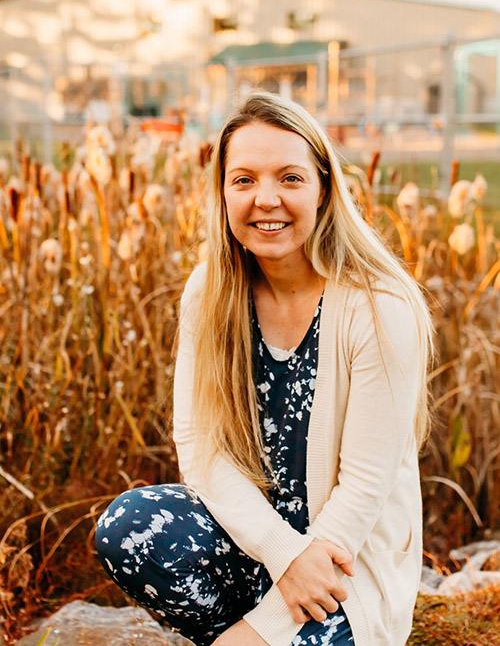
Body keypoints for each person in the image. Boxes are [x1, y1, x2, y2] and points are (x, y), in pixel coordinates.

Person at [95, 91, 434, 646]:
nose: (265, 199)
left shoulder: (379, 306)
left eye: (290, 178)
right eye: (244, 179)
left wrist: (256, 634)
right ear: (223, 192)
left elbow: (364, 489)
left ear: (324, 188)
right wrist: (280, 554)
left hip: (340, 570)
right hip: (252, 541)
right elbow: (199, 447)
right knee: (130, 526)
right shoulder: (209, 291)